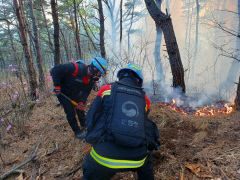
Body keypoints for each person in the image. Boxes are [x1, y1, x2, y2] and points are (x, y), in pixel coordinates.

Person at [82, 63, 160, 180]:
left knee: (91, 168)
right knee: (147, 164)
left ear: (121, 76)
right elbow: (141, 122)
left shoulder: (106, 89)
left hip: (104, 158)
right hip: (137, 159)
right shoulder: (144, 98)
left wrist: (92, 137)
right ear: (138, 80)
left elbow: (91, 117)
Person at [51, 57, 108, 139]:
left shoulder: (91, 79)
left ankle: (84, 124)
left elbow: (86, 92)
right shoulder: (76, 68)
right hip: (62, 92)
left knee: (80, 108)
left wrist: (81, 102)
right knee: (70, 112)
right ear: (95, 68)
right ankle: (77, 131)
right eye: (99, 73)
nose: (99, 76)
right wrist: (57, 85)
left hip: (74, 92)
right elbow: (55, 70)